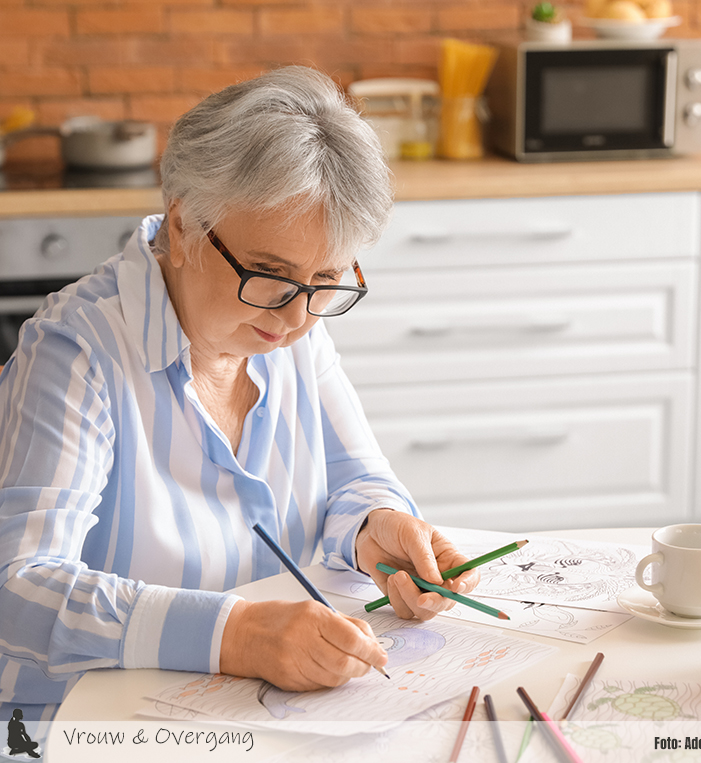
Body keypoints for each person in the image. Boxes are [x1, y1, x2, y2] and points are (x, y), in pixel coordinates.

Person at [0, 66, 479, 725]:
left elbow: (353, 480)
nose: (296, 317)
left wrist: (376, 529)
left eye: (325, 280)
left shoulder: (290, 330)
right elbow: (19, 586)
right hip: (73, 724)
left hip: (247, 717)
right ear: (185, 223)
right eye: (270, 276)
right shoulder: (76, 351)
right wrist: (237, 634)